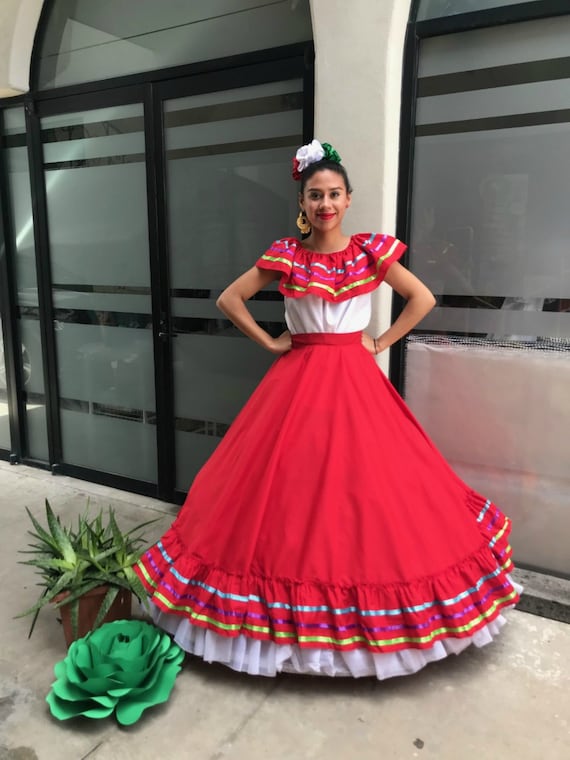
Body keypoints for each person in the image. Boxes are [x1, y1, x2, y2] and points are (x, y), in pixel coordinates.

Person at [135, 140, 520, 679]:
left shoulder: (368, 253)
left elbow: (423, 298)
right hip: (296, 382)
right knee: (285, 494)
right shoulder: (287, 255)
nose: (325, 204)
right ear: (303, 201)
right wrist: (271, 343)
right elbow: (229, 298)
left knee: (363, 495)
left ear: (348, 199)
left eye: (334, 194)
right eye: (316, 194)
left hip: (354, 382)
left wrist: (380, 343)